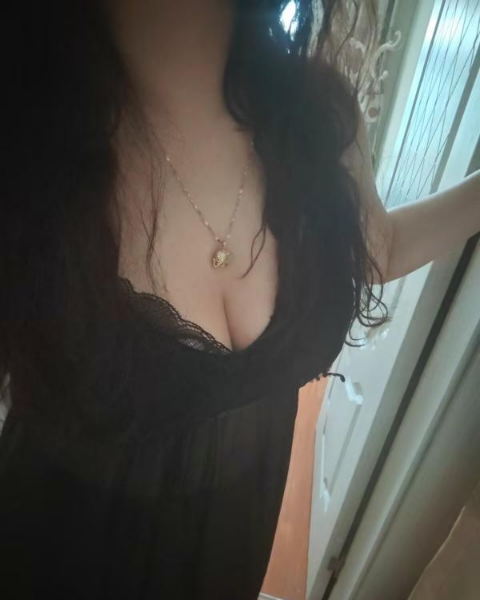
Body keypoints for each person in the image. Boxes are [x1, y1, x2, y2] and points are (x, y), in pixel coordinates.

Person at [0, 2, 478, 599]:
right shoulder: (24, 138)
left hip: (229, 552)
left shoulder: (317, 114)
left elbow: (375, 247)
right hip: (54, 556)